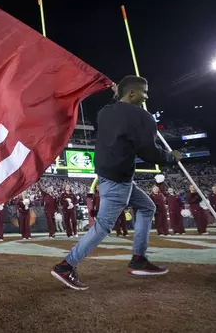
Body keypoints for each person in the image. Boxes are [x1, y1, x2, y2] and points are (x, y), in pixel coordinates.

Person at [51, 76, 181, 290]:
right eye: (144, 92)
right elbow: (149, 153)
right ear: (131, 93)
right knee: (102, 227)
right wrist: (171, 156)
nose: (147, 96)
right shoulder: (143, 117)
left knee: (147, 207)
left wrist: (118, 96)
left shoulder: (105, 112)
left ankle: (138, 258)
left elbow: (119, 117)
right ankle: (66, 266)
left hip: (109, 176)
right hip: (118, 180)